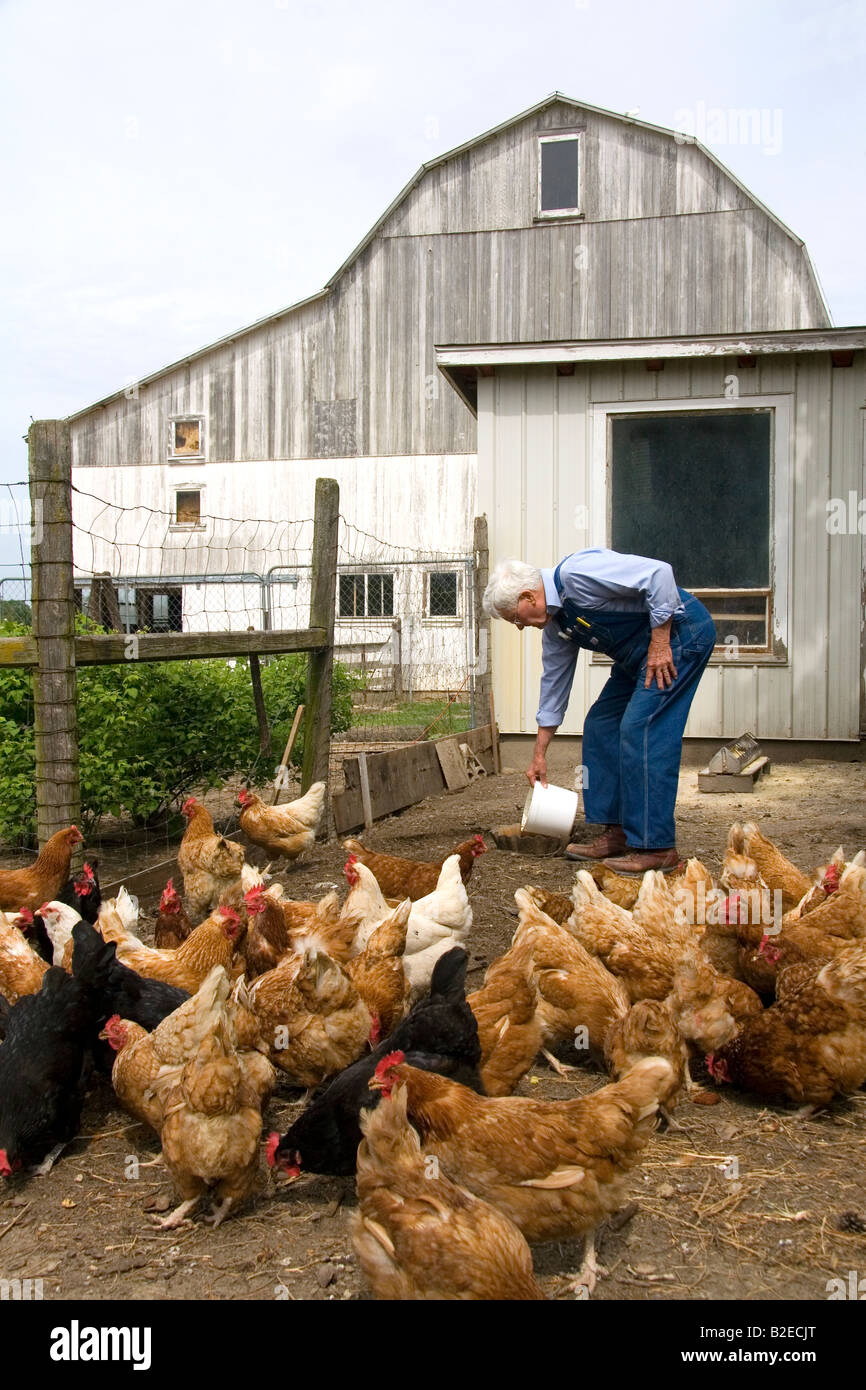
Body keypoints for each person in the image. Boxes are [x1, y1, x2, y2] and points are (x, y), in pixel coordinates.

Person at [482, 550, 716, 873]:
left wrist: (660, 642)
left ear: (527, 596)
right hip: (637, 656)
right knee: (601, 724)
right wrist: (539, 754)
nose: (519, 626)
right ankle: (617, 831)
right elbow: (554, 685)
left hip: (678, 636)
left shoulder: (578, 574)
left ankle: (656, 846)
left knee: (641, 727)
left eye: (515, 618)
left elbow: (660, 574)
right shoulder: (556, 625)